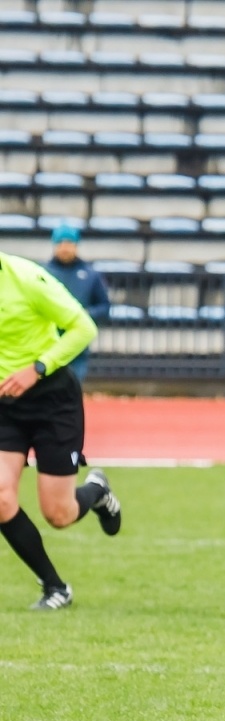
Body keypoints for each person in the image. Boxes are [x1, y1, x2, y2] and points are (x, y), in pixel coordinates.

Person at [0, 251, 123, 610]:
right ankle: (55, 588)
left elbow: (84, 327)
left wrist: (37, 368)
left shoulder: (27, 279)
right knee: (1, 499)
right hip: (5, 404)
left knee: (59, 514)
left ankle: (97, 492)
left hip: (51, 399)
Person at [40, 225, 110, 383]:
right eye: (61, 243)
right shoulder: (42, 272)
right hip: (47, 344)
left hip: (77, 345)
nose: (65, 248)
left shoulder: (91, 274)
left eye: (69, 243)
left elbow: (104, 307)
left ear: (76, 245)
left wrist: (85, 315)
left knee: (73, 387)